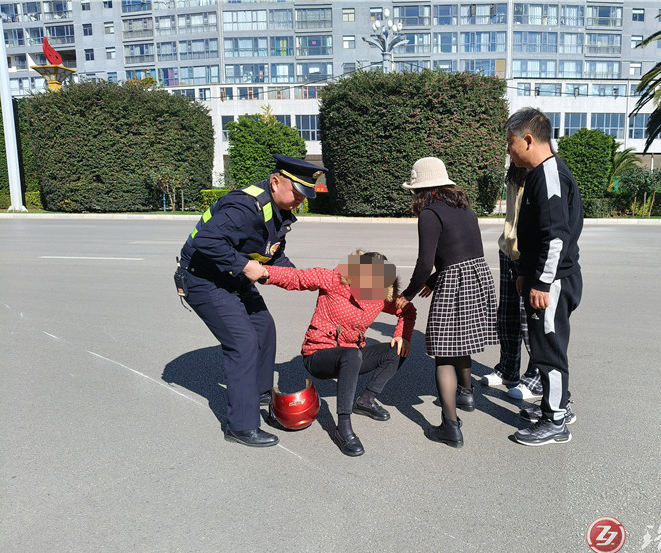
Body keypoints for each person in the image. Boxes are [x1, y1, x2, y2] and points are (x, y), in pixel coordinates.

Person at [177, 154, 327, 448]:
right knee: (242, 342)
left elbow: (271, 254)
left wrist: (301, 278)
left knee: (264, 327)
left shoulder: (278, 211)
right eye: (297, 193)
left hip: (232, 275)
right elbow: (206, 240)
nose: (301, 201)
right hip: (203, 279)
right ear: (275, 182)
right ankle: (240, 426)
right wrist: (246, 267)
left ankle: (257, 393)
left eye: (305, 196)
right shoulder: (245, 206)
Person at [262, 251, 415, 457]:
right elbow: (295, 278)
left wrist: (401, 335)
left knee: (398, 350)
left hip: (352, 356)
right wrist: (263, 272)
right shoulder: (334, 280)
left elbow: (408, 310)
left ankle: (366, 401)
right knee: (351, 355)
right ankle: (343, 428)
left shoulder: (380, 295)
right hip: (318, 355)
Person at [397, 157, 498, 448]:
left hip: (455, 281)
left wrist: (408, 295)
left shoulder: (429, 214)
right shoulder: (464, 208)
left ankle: (449, 427)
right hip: (477, 277)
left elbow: (424, 262)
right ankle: (466, 394)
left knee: (443, 354)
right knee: (461, 341)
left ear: (422, 190)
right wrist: (432, 281)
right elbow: (461, 249)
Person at [505, 107, 583, 446]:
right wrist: (525, 272)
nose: (508, 151)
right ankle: (558, 407)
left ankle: (555, 423)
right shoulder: (540, 173)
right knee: (546, 347)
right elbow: (538, 235)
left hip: (553, 281)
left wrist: (541, 282)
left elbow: (555, 237)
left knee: (548, 352)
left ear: (527, 139)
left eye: (510, 144)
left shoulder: (549, 174)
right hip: (545, 277)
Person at [480, 162, 544, 402]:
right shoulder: (516, 172)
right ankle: (508, 368)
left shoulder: (542, 173)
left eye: (511, 142)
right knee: (507, 315)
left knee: (530, 318)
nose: (508, 149)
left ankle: (537, 375)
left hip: (528, 254)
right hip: (508, 249)